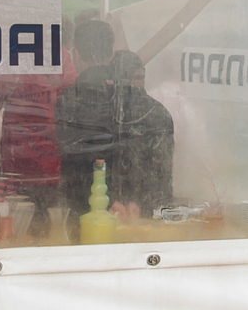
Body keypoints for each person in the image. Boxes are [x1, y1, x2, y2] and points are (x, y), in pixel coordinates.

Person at [54, 22, 175, 235]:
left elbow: (73, 173)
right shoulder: (154, 109)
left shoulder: (68, 102)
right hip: (143, 225)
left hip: (86, 225)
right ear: (111, 54)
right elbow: (161, 184)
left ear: (76, 56)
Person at [0, 19, 78, 237]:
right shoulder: (71, 69)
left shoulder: (22, 62)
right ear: (70, 41)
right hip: (58, 170)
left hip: (19, 169)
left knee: (17, 233)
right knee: (54, 233)